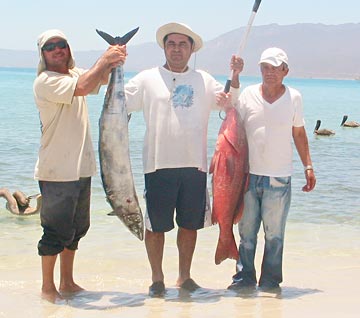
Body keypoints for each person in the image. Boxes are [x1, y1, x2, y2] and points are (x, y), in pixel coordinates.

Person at [125, 22, 243, 297]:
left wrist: (235, 75)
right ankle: (157, 278)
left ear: (191, 49)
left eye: (182, 44)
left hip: (195, 166)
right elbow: (121, 102)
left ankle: (184, 277)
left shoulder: (204, 79)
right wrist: (111, 67)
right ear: (164, 47)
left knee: (190, 226)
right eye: (171, 44)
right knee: (156, 227)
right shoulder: (146, 78)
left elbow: (230, 101)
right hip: (157, 165)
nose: (176, 49)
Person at [33, 29, 127, 303]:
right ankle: (48, 288)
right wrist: (105, 58)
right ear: (43, 54)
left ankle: (68, 282)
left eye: (61, 44)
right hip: (57, 170)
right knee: (55, 231)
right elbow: (85, 86)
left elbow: (99, 79)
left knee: (76, 230)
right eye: (50, 47)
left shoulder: (75, 74)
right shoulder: (45, 81)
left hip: (81, 168)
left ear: (68, 48)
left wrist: (114, 61)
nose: (57, 49)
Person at [219, 47, 316, 291]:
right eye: (264, 67)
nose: (269, 72)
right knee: (247, 233)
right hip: (247, 176)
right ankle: (244, 279)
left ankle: (271, 282)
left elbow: (299, 132)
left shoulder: (294, 97)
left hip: (279, 178)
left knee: (274, 236)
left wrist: (308, 166)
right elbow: (229, 105)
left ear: (285, 71)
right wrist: (236, 74)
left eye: (274, 68)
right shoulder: (249, 93)